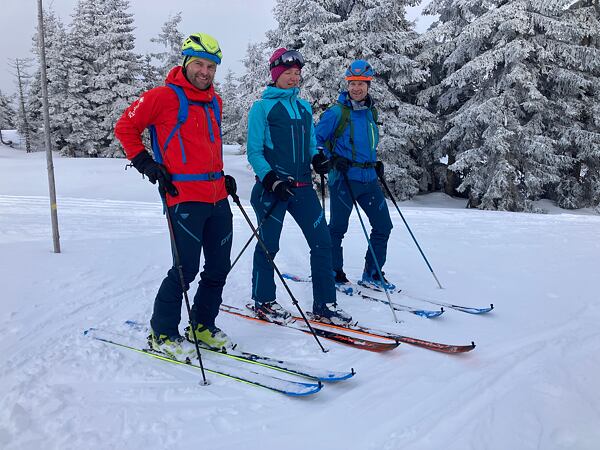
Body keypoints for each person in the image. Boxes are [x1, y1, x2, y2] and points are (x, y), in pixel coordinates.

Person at [115, 33, 236, 359]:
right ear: (185, 63)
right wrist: (145, 163)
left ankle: (202, 325)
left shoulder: (215, 101)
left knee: (219, 267)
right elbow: (125, 127)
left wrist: (221, 175)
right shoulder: (162, 96)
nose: (205, 72)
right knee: (185, 269)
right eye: (199, 64)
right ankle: (162, 332)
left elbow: (204, 146)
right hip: (183, 196)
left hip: (217, 196)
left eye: (211, 66)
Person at [246, 48, 352, 325]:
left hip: (303, 188)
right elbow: (254, 152)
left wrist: (317, 158)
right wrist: (271, 179)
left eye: (297, 73)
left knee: (323, 243)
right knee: (269, 245)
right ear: (275, 75)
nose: (293, 78)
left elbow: (310, 145)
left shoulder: (304, 107)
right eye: (288, 73)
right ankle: (263, 300)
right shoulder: (262, 108)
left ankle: (324, 305)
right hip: (273, 189)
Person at [315, 60, 395, 291]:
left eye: (361, 83)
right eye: (352, 83)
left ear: (368, 85)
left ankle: (373, 273)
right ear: (347, 85)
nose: (356, 88)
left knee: (383, 226)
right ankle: (333, 272)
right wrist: (331, 159)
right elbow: (316, 141)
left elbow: (366, 144)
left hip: (368, 179)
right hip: (344, 179)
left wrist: (374, 163)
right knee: (337, 228)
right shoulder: (336, 112)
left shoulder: (371, 112)